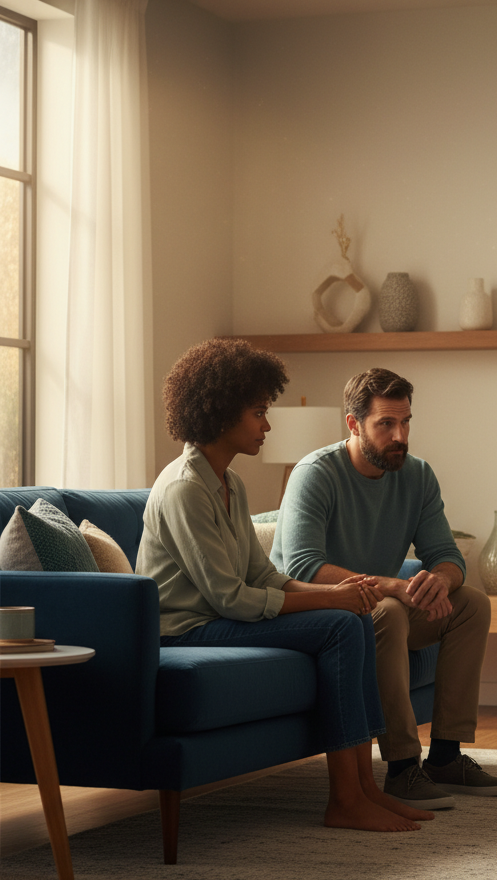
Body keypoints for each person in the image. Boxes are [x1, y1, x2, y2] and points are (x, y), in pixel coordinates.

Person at [137, 340, 432, 833]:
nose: (267, 425)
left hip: (221, 619)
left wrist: (343, 597)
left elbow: (264, 577)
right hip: (188, 630)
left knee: (354, 616)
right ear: (221, 411)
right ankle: (344, 800)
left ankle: (365, 789)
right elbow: (230, 598)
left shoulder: (230, 483)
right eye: (258, 413)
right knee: (340, 625)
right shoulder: (184, 488)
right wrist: (328, 598)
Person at [272, 367, 497, 809]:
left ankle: (445, 756)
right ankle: (403, 769)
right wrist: (395, 587)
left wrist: (437, 580)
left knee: (472, 604)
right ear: (353, 424)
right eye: (385, 423)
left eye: (405, 422)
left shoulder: (417, 476)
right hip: (316, 609)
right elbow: (304, 567)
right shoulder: (315, 473)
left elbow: (448, 555)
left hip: (383, 602)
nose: (399, 434)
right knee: (390, 610)